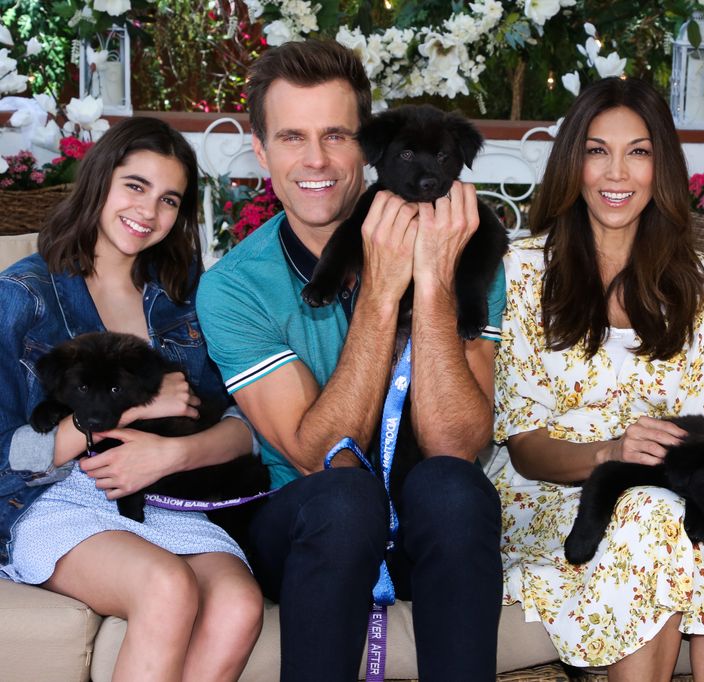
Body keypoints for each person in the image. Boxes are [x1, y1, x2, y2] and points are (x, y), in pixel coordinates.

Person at [195, 40, 504, 681]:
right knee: (343, 499)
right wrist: (383, 295)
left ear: (366, 148)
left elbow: (457, 441)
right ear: (261, 151)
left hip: (427, 520)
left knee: (455, 487)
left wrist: (435, 282)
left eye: (337, 135)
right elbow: (317, 451)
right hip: (309, 531)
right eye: (291, 137)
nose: (316, 160)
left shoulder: (463, 247)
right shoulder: (233, 287)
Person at [488, 76, 704, 682]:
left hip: (666, 501)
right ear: (573, 162)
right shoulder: (522, 273)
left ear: (662, 167)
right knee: (653, 516)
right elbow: (523, 449)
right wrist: (610, 451)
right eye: (597, 150)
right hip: (554, 504)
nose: (616, 173)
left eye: (638, 152)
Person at [0, 117, 264, 681]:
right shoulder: (23, 295)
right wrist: (135, 410)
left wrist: (173, 455)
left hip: (167, 499)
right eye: (136, 186)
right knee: (166, 586)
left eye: (169, 199)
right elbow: (7, 457)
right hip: (54, 501)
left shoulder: (184, 297)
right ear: (100, 180)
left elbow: (246, 421)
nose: (149, 211)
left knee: (240, 606)